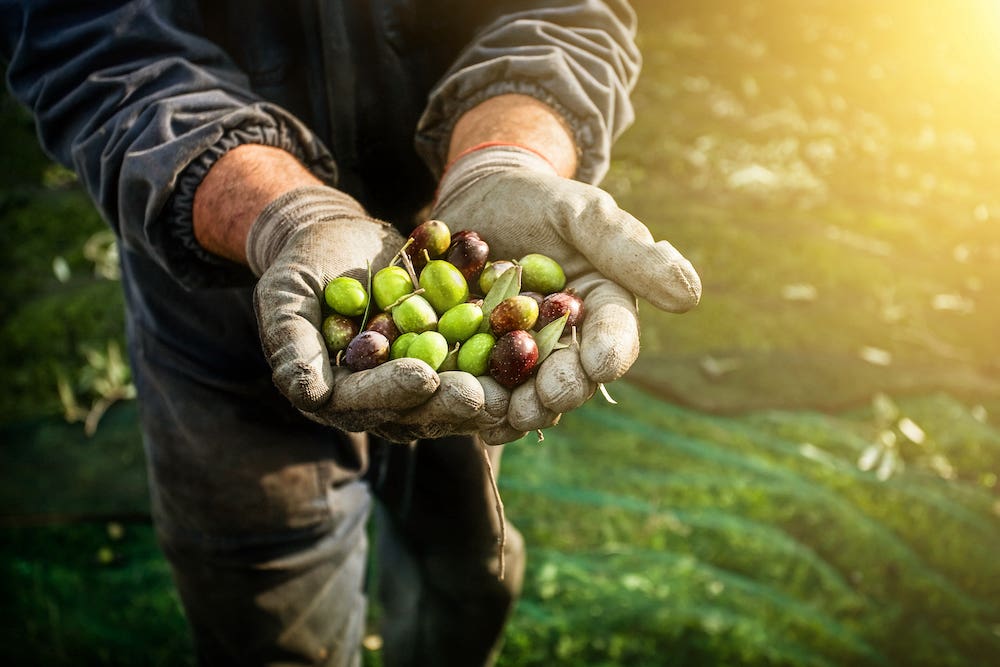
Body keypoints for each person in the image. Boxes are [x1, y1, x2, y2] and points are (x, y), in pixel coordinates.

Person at [1, 1, 700, 665]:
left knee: (465, 568)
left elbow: (561, 14)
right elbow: (98, 46)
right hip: (216, 298)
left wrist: (504, 158)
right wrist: (286, 214)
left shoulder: (478, 309)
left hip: (463, 242)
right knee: (269, 620)